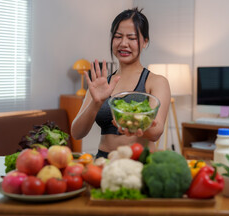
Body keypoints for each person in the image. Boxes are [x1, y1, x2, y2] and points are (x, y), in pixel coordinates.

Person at [71, 8, 171, 158]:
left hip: (140, 162)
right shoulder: (102, 84)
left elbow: (156, 132)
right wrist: (96, 103)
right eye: (118, 37)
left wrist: (132, 123)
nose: (123, 43)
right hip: (103, 160)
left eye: (132, 38)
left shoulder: (156, 81)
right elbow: (77, 133)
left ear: (145, 42)